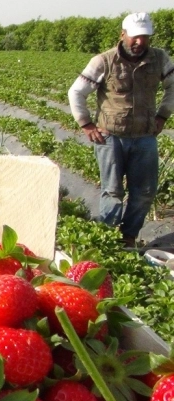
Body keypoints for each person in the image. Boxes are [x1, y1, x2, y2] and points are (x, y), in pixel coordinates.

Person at [68, 12, 174, 248]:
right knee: (112, 191)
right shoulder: (103, 61)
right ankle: (106, 237)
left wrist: (162, 115)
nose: (140, 42)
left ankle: (128, 236)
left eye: (145, 37)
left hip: (145, 137)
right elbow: (76, 92)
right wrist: (86, 124)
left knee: (145, 191)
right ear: (123, 34)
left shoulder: (159, 59)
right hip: (110, 137)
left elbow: (172, 86)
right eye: (135, 37)